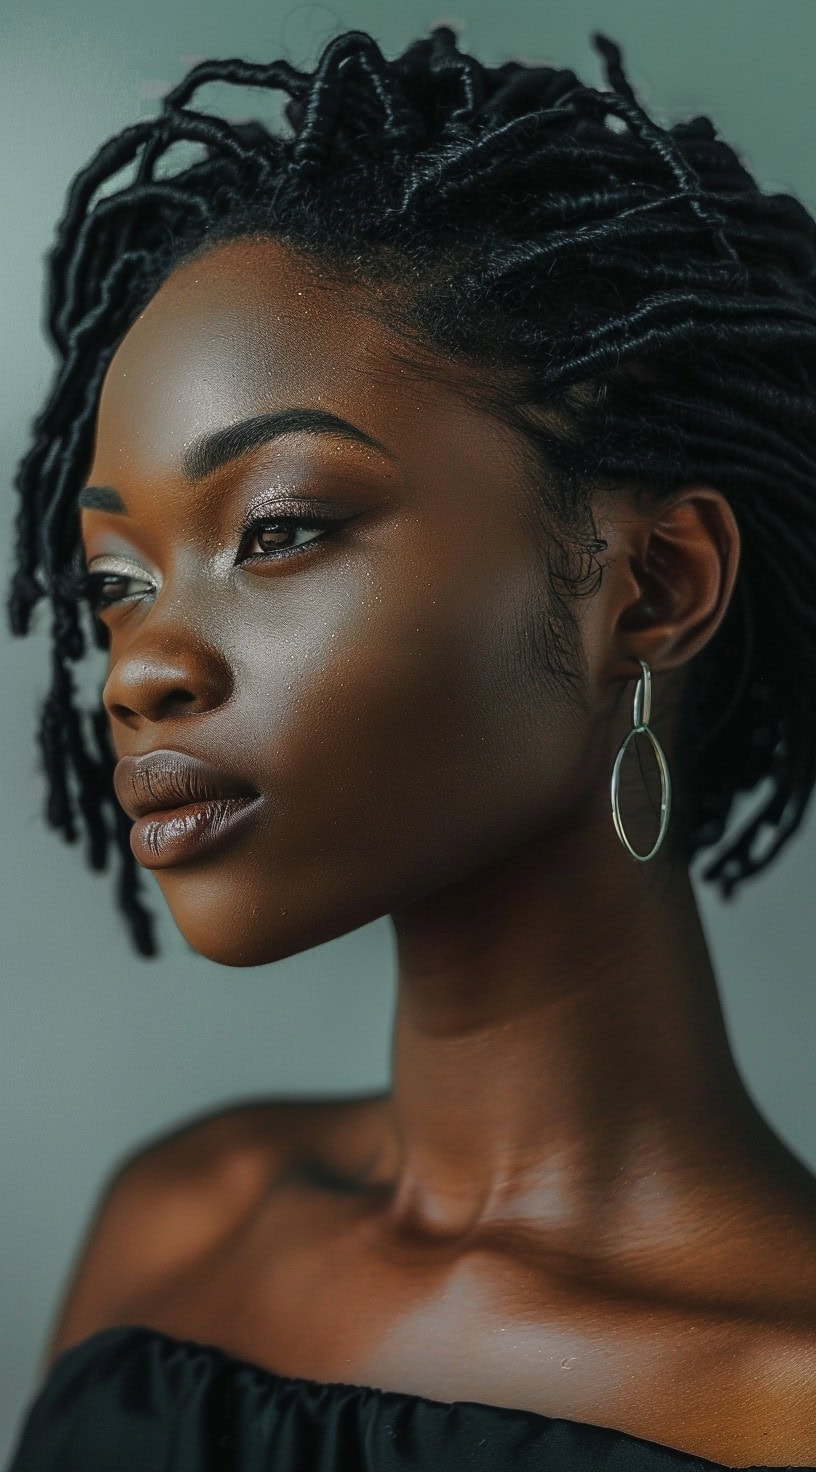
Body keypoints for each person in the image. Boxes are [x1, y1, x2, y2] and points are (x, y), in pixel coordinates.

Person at [5, 19, 816, 1471]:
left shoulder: (782, 1397)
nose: (143, 670)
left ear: (658, 586)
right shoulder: (184, 1219)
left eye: (279, 531)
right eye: (118, 583)